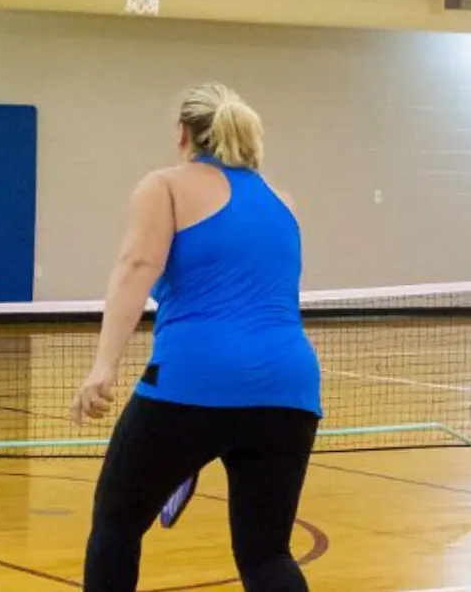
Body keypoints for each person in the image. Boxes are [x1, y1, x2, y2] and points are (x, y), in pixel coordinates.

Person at [70, 83, 322, 592]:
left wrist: (103, 366)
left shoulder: (163, 186)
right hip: (289, 390)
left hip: (192, 384)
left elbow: (137, 266)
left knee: (116, 526)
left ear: (182, 134)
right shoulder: (283, 200)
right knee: (266, 552)